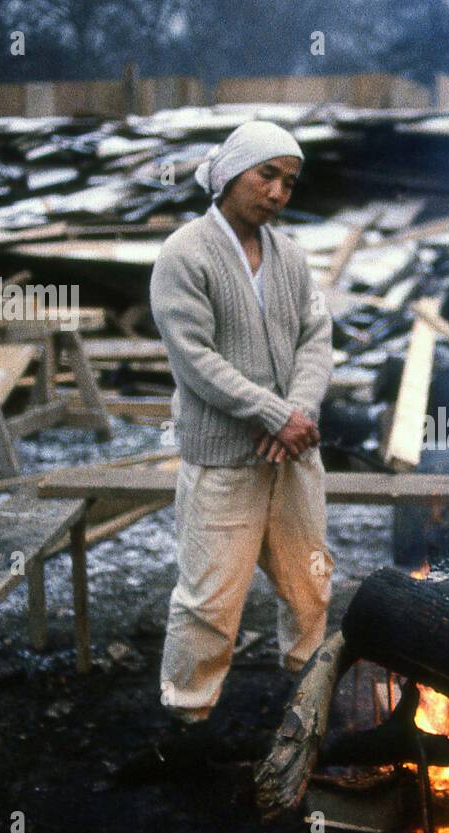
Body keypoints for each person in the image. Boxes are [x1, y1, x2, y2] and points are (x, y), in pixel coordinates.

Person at [140, 120, 334, 771]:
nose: (278, 192)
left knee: (309, 584)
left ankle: (303, 694)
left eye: (289, 181)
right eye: (267, 175)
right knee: (210, 598)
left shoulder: (291, 256)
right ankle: (185, 721)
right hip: (225, 456)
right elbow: (194, 359)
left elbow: (316, 337)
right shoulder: (185, 254)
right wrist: (272, 411)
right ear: (230, 174)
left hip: (293, 454)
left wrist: (299, 413)